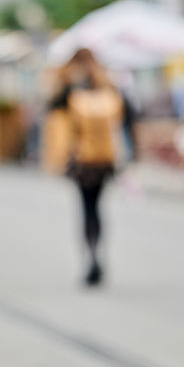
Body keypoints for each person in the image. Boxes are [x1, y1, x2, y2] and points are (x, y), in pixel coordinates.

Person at [49, 48, 127, 286]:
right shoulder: (108, 88)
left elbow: (51, 108)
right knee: (98, 208)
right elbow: (127, 116)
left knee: (87, 208)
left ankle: (91, 255)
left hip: (81, 159)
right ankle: (97, 254)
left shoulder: (70, 90)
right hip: (104, 159)